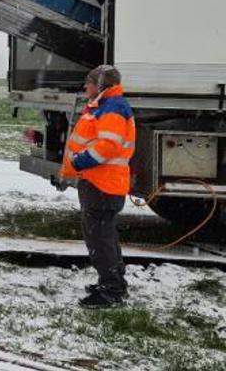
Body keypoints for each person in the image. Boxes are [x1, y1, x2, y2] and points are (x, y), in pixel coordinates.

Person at [60, 64, 135, 307]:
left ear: (101, 85)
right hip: (101, 182)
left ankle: (111, 291)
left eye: (89, 82)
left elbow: (108, 146)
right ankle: (114, 282)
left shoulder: (111, 109)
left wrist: (79, 162)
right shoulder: (107, 106)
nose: (85, 86)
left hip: (102, 182)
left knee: (99, 238)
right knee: (105, 235)